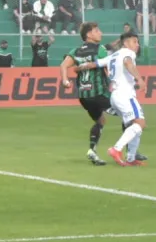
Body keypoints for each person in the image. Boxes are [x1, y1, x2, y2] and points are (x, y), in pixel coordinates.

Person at [75, 32, 146, 166]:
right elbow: (128, 63)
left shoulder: (113, 55)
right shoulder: (128, 53)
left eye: (137, 42)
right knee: (140, 123)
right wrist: (140, 79)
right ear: (125, 43)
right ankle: (116, 149)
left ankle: (131, 158)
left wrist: (78, 68)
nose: (137, 45)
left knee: (132, 125)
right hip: (125, 94)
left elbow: (94, 64)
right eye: (134, 42)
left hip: (115, 96)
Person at [61, 22, 116, 167]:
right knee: (130, 116)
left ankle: (92, 150)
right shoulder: (100, 49)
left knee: (100, 121)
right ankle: (129, 153)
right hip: (99, 93)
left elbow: (64, 65)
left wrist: (65, 80)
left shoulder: (76, 51)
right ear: (89, 34)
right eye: (97, 30)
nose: (100, 33)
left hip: (84, 96)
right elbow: (106, 68)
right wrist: (114, 83)